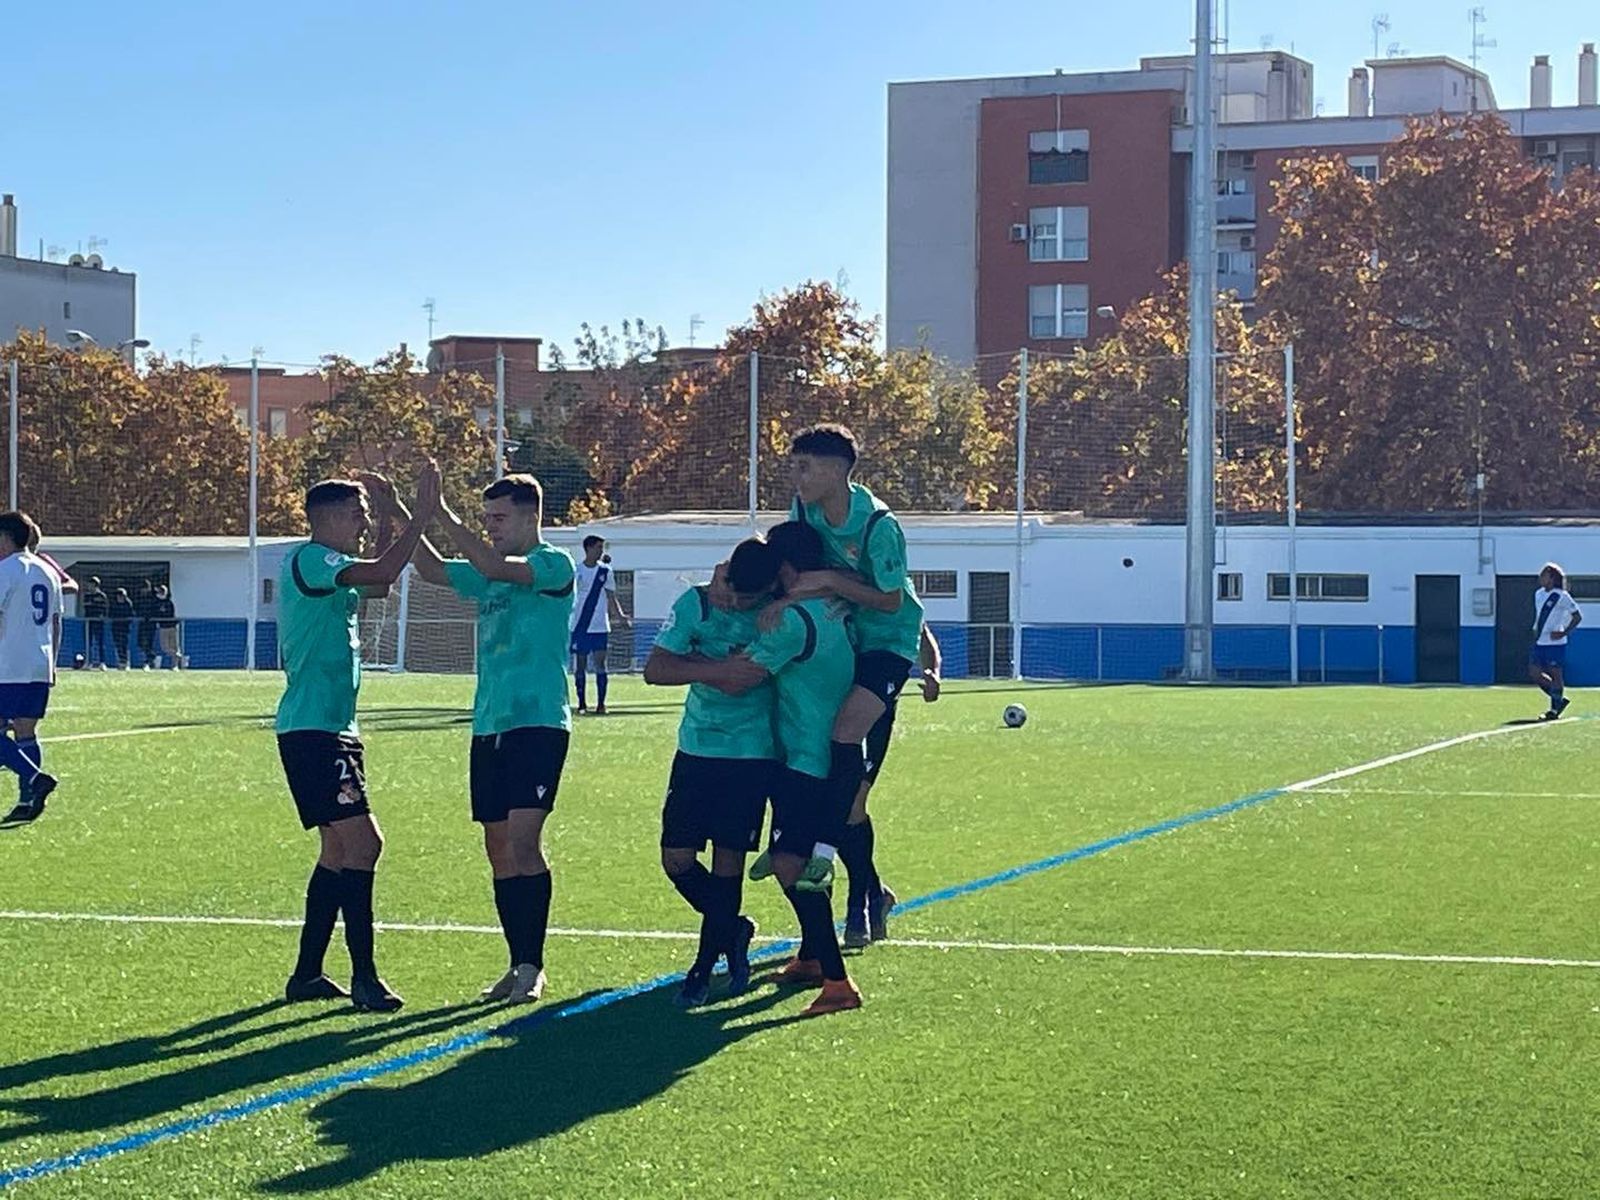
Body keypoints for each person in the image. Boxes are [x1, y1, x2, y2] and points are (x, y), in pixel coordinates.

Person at [396, 474, 574, 1006]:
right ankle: (516, 962)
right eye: (486, 519)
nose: (490, 529)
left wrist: (442, 513)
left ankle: (534, 966)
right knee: (498, 850)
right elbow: (428, 569)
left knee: (523, 843)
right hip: (489, 725)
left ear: (529, 517)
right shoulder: (488, 575)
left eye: (498, 519)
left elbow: (497, 567)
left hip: (537, 722)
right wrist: (403, 508)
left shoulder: (552, 565)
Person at [276, 464, 440, 1013]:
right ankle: (365, 977)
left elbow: (378, 580)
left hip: (330, 728)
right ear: (330, 518)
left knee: (339, 849)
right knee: (366, 844)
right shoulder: (312, 558)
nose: (365, 521)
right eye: (359, 513)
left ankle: (307, 974)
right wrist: (419, 513)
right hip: (314, 730)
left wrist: (394, 515)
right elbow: (383, 571)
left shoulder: (333, 564)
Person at [703, 521, 862, 1018]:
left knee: (793, 865)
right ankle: (814, 956)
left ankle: (838, 983)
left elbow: (741, 675)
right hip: (828, 756)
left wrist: (715, 607)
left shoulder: (791, 620)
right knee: (793, 859)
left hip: (807, 761)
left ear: (786, 568)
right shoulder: (835, 604)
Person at [766, 424, 925, 915]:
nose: (796, 476)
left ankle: (825, 850)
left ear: (836, 470)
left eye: (804, 466)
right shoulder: (804, 511)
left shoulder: (878, 524)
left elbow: (891, 598)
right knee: (846, 785)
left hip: (886, 645)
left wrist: (833, 579)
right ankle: (869, 892)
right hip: (844, 643)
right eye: (793, 465)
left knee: (846, 735)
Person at [642, 539, 779, 1007]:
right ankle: (733, 930)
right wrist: (717, 668)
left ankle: (703, 969)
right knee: (675, 860)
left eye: (749, 598)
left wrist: (703, 666)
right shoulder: (696, 602)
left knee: (728, 867)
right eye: (735, 592)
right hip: (697, 749)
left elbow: (755, 677)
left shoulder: (778, 613)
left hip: (750, 754)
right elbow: (656, 668)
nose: (737, 604)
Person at [842, 622, 941, 948]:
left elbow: (922, 634)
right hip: (832, 706)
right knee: (838, 809)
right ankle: (876, 893)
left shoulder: (891, 590)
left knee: (853, 803)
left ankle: (857, 909)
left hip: (875, 714)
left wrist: (931, 671)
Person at [0, 512, 62, 825]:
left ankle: (35, 779)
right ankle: (27, 802)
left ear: (5, 538)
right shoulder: (48, 572)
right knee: (25, 731)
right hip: (39, 663)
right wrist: (53, 663)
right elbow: (56, 622)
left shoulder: (6, 570)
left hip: (8, 664)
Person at [570, 536, 629, 715]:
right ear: (588, 548)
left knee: (600, 665)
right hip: (580, 625)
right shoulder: (577, 571)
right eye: (598, 547)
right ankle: (581, 703)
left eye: (602, 548)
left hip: (599, 626)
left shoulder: (605, 571)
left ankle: (601, 704)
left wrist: (620, 616)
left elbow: (611, 597)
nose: (601, 551)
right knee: (580, 665)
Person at [1530, 563, 1582, 721]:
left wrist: (1563, 632)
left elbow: (1577, 616)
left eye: (1544, 575)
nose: (1541, 578)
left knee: (1556, 674)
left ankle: (1553, 709)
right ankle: (1559, 700)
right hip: (1540, 641)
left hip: (1555, 643)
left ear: (1552, 578)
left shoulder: (1562, 596)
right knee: (1534, 673)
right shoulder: (1538, 594)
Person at [81, 577, 109, 668]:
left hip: (99, 622)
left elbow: (104, 608)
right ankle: (89, 662)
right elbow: (86, 606)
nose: (90, 586)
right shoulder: (87, 596)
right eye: (89, 584)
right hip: (89, 621)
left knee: (100, 642)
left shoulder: (102, 596)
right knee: (88, 642)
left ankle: (102, 662)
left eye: (92, 584)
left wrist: (102, 616)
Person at [153, 585, 182, 669]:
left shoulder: (169, 603)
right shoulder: (157, 603)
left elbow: (168, 614)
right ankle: (176, 655)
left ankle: (175, 665)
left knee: (174, 646)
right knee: (165, 647)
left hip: (171, 627)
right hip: (163, 627)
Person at [109, 587, 135, 670]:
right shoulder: (114, 604)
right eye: (119, 595)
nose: (120, 597)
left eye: (122, 596)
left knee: (124, 645)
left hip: (125, 628)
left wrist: (125, 620)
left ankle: (126, 663)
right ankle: (120, 662)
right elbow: (110, 614)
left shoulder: (128, 603)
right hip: (115, 627)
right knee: (118, 645)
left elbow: (131, 615)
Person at [135, 580, 158, 669]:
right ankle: (151, 657)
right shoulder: (140, 598)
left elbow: (155, 609)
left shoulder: (153, 597)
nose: (143, 590)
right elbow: (137, 607)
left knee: (148, 642)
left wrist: (149, 616)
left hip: (151, 623)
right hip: (142, 622)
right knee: (140, 642)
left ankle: (149, 661)